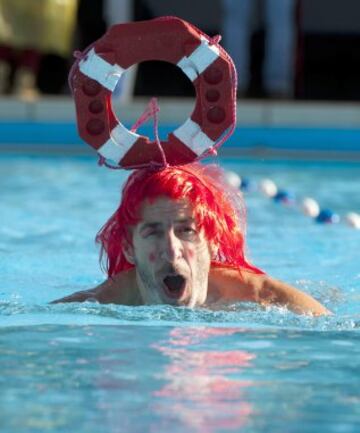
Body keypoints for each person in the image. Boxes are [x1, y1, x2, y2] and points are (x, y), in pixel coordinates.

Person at [52, 163, 329, 316]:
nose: (172, 252)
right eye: (153, 232)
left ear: (212, 241)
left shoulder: (265, 300)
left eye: (186, 230)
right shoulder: (95, 307)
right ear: (128, 248)